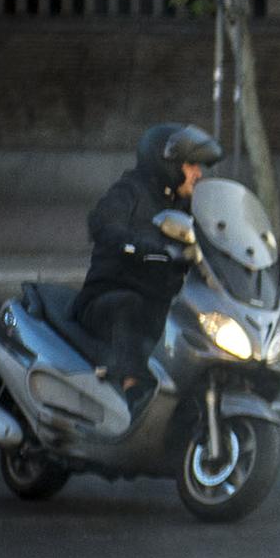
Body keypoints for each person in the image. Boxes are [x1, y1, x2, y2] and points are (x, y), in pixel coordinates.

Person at [71, 123, 223, 407]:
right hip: (105, 298)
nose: (198, 173)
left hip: (162, 297)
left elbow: (214, 236)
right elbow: (103, 224)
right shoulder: (129, 190)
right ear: (167, 163)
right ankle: (133, 394)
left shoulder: (186, 205)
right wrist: (140, 246)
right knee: (130, 306)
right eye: (191, 164)